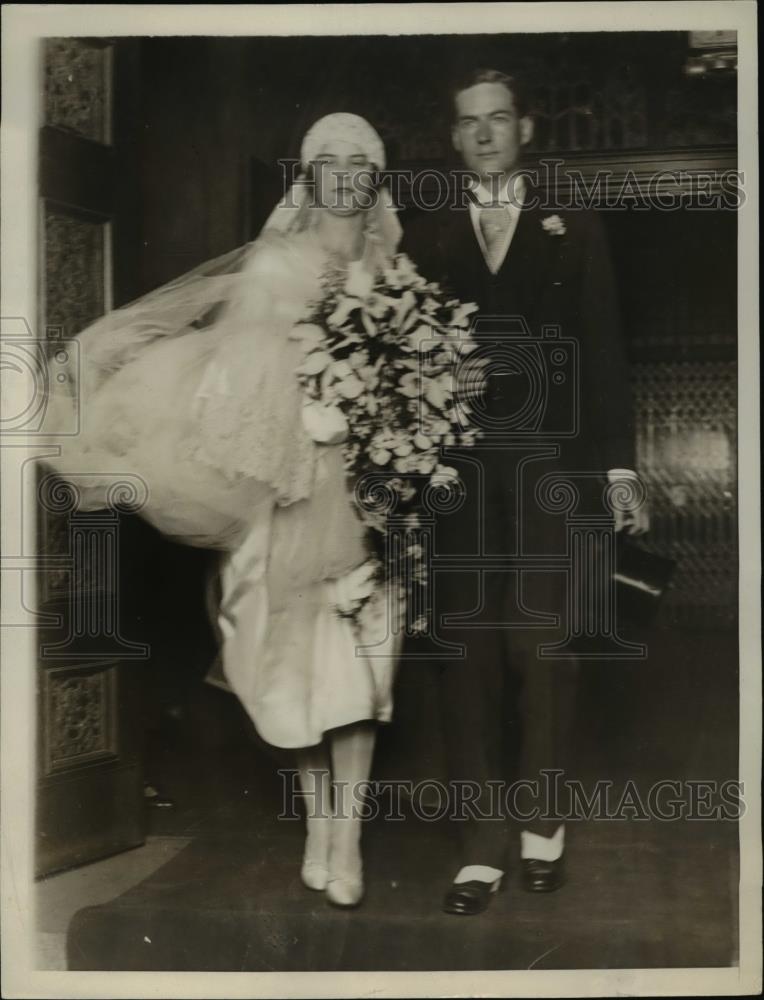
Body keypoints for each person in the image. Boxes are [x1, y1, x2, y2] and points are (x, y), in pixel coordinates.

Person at [41, 113, 407, 909]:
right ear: (309, 177)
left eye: (359, 163)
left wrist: (384, 423)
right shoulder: (276, 263)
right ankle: (319, 825)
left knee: (361, 674)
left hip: (367, 498)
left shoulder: (397, 271)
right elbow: (238, 378)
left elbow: (414, 382)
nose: (344, 176)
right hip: (287, 488)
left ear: (374, 177)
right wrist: (309, 398)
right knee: (290, 675)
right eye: (328, 162)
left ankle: (348, 843)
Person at [401, 68, 648, 915]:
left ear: (527, 129)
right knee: (467, 651)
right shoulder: (427, 238)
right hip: (461, 477)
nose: (483, 135)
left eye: (498, 119)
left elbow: (606, 355)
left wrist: (617, 473)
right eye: (468, 122)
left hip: (552, 470)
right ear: (454, 136)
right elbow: (403, 364)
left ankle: (543, 826)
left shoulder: (571, 227)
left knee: (541, 648)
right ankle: (481, 844)